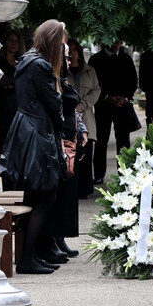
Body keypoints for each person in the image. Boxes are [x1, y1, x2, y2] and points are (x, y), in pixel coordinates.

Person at [0, 19, 68, 274]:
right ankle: (27, 258)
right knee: (46, 194)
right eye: (61, 42)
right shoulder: (40, 65)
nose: (63, 48)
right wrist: (62, 123)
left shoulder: (28, 61)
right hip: (37, 132)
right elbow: (54, 103)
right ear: (53, 41)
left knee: (35, 194)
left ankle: (32, 255)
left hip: (28, 129)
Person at [42, 42, 88, 264]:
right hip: (60, 141)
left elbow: (73, 111)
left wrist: (83, 129)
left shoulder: (63, 80)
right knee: (58, 193)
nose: (70, 61)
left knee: (68, 193)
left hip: (72, 138)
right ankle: (53, 238)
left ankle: (60, 237)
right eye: (67, 57)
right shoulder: (51, 80)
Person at [88, 39, 137, 185]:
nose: (115, 44)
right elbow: (93, 83)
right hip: (103, 106)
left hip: (122, 105)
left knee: (123, 141)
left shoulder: (126, 58)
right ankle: (98, 174)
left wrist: (125, 97)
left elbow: (133, 81)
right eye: (113, 40)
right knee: (101, 140)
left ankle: (124, 173)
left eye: (118, 41)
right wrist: (106, 97)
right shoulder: (96, 59)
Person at [65, 38, 100, 199]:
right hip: (69, 117)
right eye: (69, 50)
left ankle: (85, 189)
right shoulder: (63, 71)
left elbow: (96, 90)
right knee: (72, 154)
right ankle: (72, 188)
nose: (72, 53)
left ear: (79, 52)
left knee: (86, 154)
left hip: (86, 116)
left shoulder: (89, 70)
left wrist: (83, 104)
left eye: (75, 50)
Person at [0, 30, 25, 145]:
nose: (14, 44)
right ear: (5, 43)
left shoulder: (22, 63)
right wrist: (13, 83)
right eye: (11, 40)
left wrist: (10, 84)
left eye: (17, 41)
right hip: (2, 111)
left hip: (19, 109)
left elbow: (24, 84)